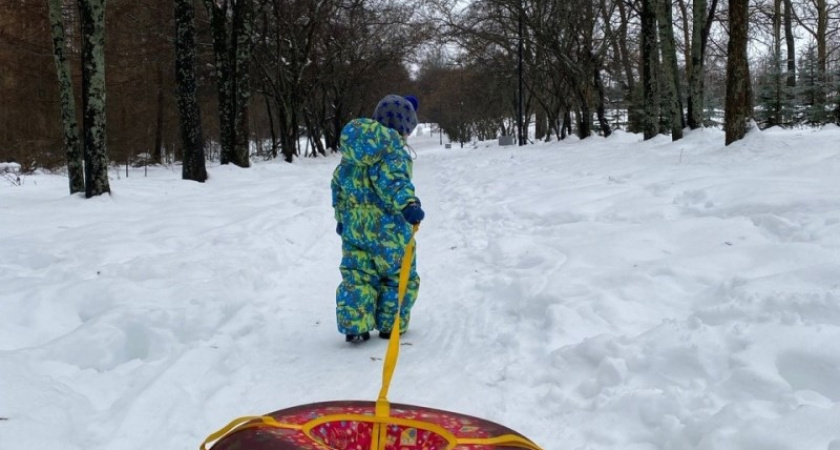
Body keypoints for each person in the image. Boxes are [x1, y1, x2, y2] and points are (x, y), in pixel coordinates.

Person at [331, 94, 425, 343]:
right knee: (396, 278)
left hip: (355, 231)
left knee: (357, 276)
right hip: (389, 232)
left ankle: (356, 326)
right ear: (402, 129)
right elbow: (394, 182)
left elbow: (338, 188)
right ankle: (390, 325)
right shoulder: (392, 152)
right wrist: (409, 204)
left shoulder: (351, 154)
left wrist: (341, 218)